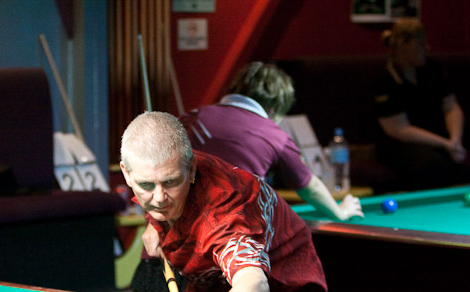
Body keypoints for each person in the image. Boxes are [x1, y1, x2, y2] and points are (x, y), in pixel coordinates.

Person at [120, 111, 327, 292]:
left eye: (171, 182)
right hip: (213, 281)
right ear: (127, 173)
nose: (159, 198)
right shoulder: (168, 169)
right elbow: (159, 192)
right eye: (146, 185)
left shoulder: (222, 215)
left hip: (283, 290)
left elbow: (255, 282)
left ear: (191, 169)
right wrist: (155, 224)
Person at [181, 61, 365, 222]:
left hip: (181, 226)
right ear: (274, 108)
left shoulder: (192, 117)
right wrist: (340, 212)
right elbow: (311, 188)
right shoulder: (275, 136)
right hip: (235, 232)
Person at [374, 18, 469, 190]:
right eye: (420, 44)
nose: (427, 48)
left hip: (442, 137)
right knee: (433, 164)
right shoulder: (385, 79)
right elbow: (399, 129)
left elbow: (451, 107)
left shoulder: (433, 68)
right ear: (404, 46)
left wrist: (455, 140)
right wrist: (445, 144)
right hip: (402, 144)